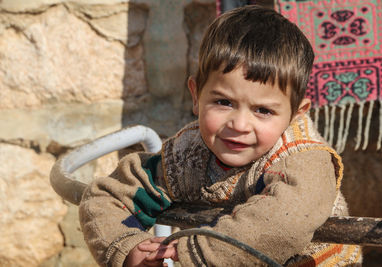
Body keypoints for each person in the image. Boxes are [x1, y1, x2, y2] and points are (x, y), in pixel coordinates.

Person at [79, 5, 362, 267]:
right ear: (195, 95)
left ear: (296, 114)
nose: (239, 124)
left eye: (263, 110)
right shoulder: (185, 156)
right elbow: (109, 196)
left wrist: (193, 250)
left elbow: (282, 224)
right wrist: (127, 247)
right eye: (223, 102)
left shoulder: (305, 161)